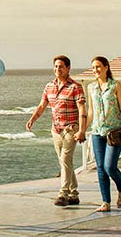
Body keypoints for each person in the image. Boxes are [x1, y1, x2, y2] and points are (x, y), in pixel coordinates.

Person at [25, 55, 86, 206]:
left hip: (71, 128)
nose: (58, 69)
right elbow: (42, 105)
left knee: (65, 159)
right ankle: (74, 194)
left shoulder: (75, 87)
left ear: (68, 68)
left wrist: (82, 130)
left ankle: (63, 193)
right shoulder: (49, 87)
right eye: (56, 66)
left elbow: (82, 109)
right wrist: (33, 119)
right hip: (56, 130)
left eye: (61, 67)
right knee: (65, 161)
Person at [86, 56, 121, 212]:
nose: (95, 70)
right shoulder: (91, 87)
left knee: (109, 166)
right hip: (97, 132)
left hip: (114, 132)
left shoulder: (115, 85)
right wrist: (82, 130)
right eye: (93, 67)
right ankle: (105, 202)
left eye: (98, 66)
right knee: (100, 168)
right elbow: (91, 112)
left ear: (106, 67)